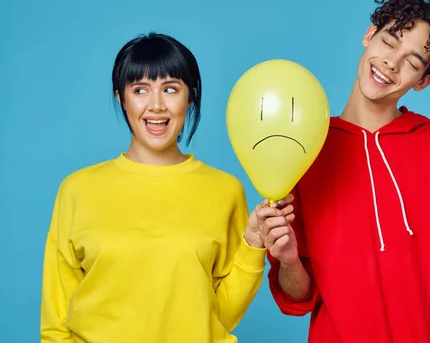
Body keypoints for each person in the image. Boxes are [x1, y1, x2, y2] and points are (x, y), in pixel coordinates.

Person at [257, 0, 430, 342]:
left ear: (423, 81)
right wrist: (289, 259)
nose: (392, 63)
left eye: (413, 62)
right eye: (390, 42)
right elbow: (298, 296)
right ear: (369, 35)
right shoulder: (303, 149)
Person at [40, 33, 286, 343]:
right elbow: (55, 320)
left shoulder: (225, 190)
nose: (156, 106)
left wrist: (252, 244)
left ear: (190, 96)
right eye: (140, 90)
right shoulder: (77, 189)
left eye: (170, 89)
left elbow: (217, 316)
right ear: (121, 98)